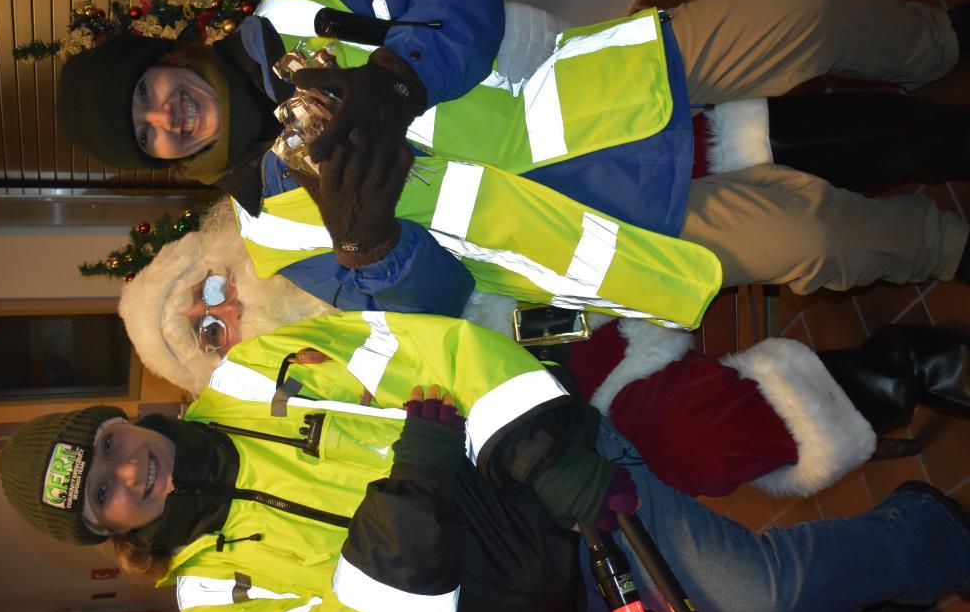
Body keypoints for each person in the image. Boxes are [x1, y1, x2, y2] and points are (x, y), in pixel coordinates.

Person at [0, 312, 970, 612]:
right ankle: (872, 579)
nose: (130, 472)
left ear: (126, 419)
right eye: (104, 496)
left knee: (758, 599)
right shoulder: (217, 608)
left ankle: (930, 535)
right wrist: (410, 497)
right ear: (107, 528)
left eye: (111, 444)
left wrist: (542, 450)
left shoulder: (259, 374)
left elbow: (439, 347)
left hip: (553, 479)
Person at [55, 0, 970, 330]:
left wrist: (399, 78)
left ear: (166, 59)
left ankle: (941, 41)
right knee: (820, 240)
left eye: (149, 91)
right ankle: (946, 244)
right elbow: (441, 312)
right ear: (165, 159)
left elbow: (461, 0)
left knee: (812, 16)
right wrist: (376, 252)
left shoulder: (298, 7)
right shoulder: (277, 235)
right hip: (619, 232)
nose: (167, 115)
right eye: (149, 132)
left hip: (626, 79)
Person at [114, 205, 970, 498]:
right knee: (697, 444)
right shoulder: (304, 389)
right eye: (210, 333)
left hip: (549, 260)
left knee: (765, 213)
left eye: (206, 288)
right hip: (542, 362)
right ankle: (911, 369)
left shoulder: (307, 212)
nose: (228, 308)